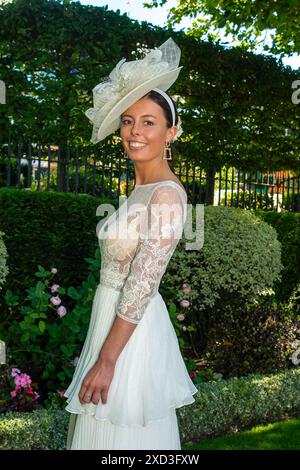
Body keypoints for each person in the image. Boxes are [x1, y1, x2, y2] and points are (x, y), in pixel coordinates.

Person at [63, 37, 198, 450]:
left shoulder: (167, 195)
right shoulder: (139, 189)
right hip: (109, 317)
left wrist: (107, 362)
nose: (134, 131)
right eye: (127, 120)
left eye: (148, 122)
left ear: (171, 132)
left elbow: (142, 284)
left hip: (131, 336)